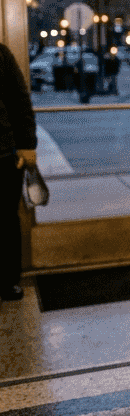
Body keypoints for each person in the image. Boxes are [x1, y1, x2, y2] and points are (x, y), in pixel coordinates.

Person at [0, 43, 37, 302]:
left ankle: (7, 281)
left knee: (5, 219)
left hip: (2, 153)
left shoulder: (0, 54)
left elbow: (19, 99)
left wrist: (27, 145)